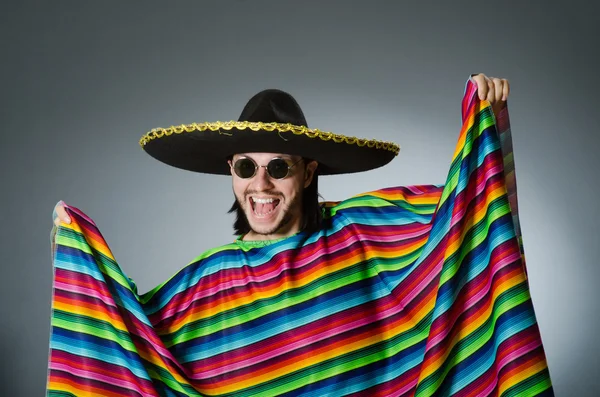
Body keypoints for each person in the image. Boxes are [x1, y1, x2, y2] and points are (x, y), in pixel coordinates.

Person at [48, 74, 553, 396]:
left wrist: (490, 123)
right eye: (246, 166)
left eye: (279, 167)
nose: (260, 184)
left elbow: (479, 220)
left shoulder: (366, 228)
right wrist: (74, 257)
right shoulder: (203, 283)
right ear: (231, 170)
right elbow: (121, 338)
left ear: (308, 172)